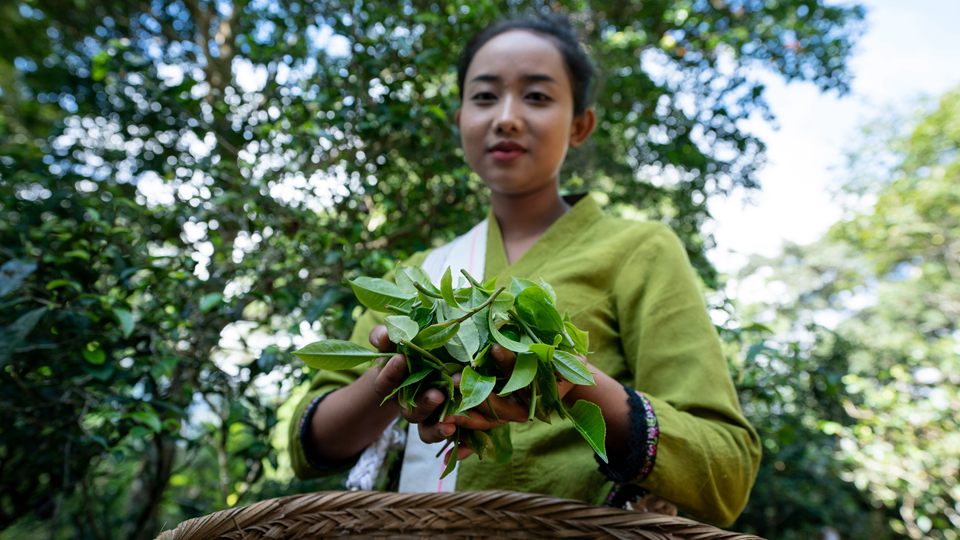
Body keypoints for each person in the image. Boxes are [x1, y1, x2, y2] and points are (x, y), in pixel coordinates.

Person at [287, 12, 761, 526]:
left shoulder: (640, 250)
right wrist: (393, 379)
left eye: (536, 96)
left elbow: (725, 467)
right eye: (485, 96)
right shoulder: (419, 274)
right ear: (460, 117)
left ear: (580, 124)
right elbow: (308, 446)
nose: (506, 117)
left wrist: (570, 381)